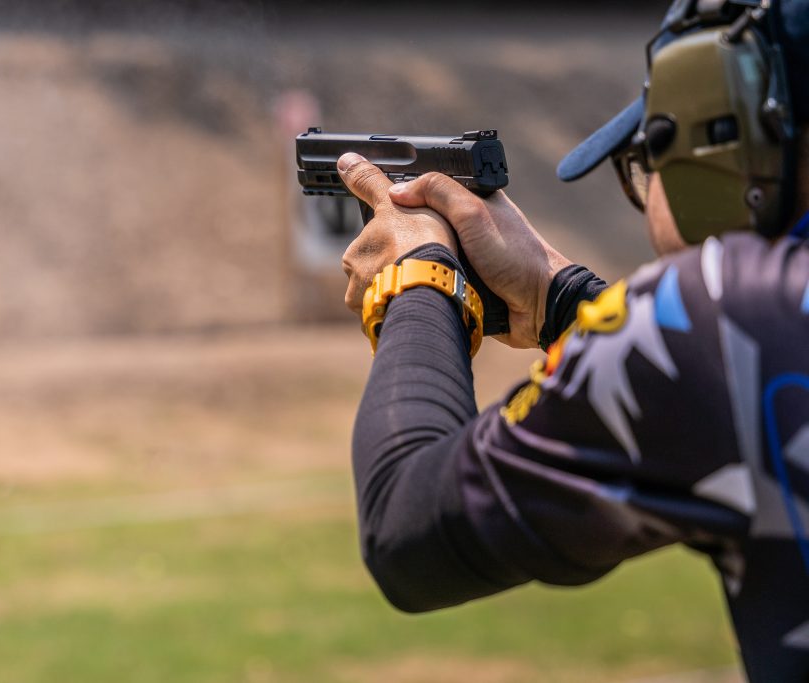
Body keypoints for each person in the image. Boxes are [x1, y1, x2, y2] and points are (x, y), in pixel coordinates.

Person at [335, 1, 809, 680]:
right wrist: (561, 298)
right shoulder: (754, 323)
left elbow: (407, 528)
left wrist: (417, 282)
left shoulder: (732, 311)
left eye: (652, 158)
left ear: (722, 134)